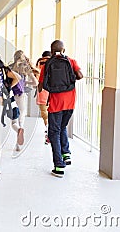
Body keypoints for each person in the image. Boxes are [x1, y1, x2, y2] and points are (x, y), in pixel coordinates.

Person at [38, 40, 83, 177]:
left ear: (52, 51)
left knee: (54, 133)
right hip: (70, 103)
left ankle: (58, 166)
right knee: (62, 127)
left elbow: (41, 85)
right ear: (63, 50)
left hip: (55, 104)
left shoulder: (47, 65)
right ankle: (66, 154)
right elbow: (80, 76)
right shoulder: (71, 61)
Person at [9, 50, 39, 151]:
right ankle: (18, 145)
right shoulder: (26, 68)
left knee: (14, 120)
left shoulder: (10, 67)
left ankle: (18, 130)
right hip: (20, 95)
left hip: (11, 95)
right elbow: (35, 83)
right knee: (21, 117)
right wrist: (24, 82)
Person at [35, 51, 52, 144]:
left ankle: (47, 128)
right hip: (53, 90)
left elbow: (36, 76)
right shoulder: (54, 62)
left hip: (42, 89)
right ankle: (50, 130)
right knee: (53, 112)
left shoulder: (39, 62)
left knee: (44, 112)